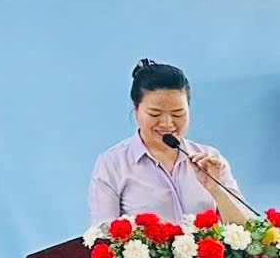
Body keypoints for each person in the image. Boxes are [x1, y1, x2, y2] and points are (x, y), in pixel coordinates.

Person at [88, 59, 254, 225]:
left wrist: (216, 190)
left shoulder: (209, 159)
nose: (167, 123)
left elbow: (247, 230)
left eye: (177, 114)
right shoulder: (112, 164)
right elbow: (102, 234)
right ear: (136, 110)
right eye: (155, 114)